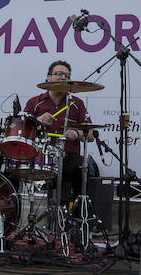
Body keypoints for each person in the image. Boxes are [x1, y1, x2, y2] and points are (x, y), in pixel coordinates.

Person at [24, 60, 94, 204]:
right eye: (59, 74)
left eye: (67, 75)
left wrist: (76, 133)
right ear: (48, 78)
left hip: (69, 158)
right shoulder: (34, 103)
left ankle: (77, 214)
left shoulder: (76, 103)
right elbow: (22, 131)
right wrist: (37, 120)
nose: (63, 78)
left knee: (84, 168)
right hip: (41, 158)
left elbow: (91, 134)